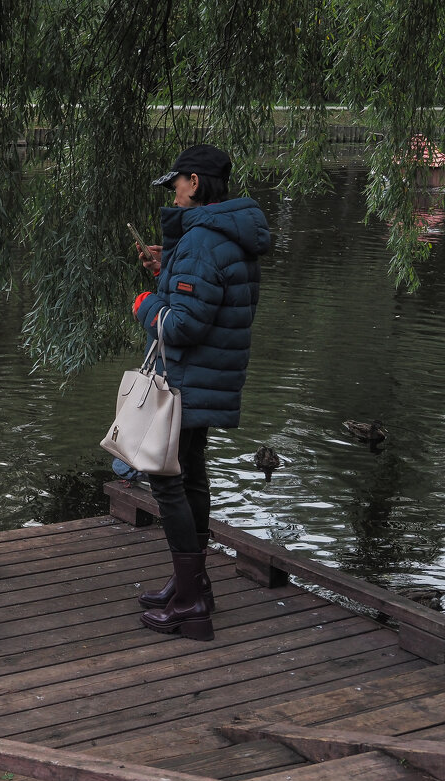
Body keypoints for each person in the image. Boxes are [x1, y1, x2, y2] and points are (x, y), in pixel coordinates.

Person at [130, 144, 270, 641]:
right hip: (212, 376)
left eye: (176, 183)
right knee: (190, 474)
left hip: (188, 377)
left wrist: (146, 304)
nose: (172, 191)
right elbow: (213, 295)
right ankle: (194, 585)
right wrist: (169, 273)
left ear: (194, 181)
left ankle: (190, 604)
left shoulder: (201, 241)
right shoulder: (226, 234)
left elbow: (184, 325)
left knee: (166, 479)